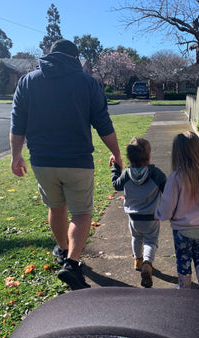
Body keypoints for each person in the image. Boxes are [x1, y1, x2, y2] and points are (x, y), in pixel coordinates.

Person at [9, 39, 123, 291]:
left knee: (55, 206)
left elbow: (17, 124)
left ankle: (62, 250)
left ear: (49, 56)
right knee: (81, 213)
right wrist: (116, 153)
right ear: (75, 59)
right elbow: (103, 124)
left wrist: (16, 155)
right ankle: (72, 263)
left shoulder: (27, 82)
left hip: (42, 161)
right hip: (78, 161)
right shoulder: (88, 84)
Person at [155, 131, 199, 293]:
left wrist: (159, 214)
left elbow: (167, 206)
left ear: (178, 153)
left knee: (183, 260)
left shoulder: (176, 177)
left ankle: (185, 290)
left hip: (183, 231)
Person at [111, 137, 166, 288]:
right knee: (150, 240)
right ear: (148, 156)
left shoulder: (127, 174)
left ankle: (138, 260)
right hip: (152, 217)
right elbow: (167, 191)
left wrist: (116, 167)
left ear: (129, 158)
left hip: (133, 217)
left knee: (136, 237)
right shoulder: (155, 173)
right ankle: (148, 263)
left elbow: (116, 185)